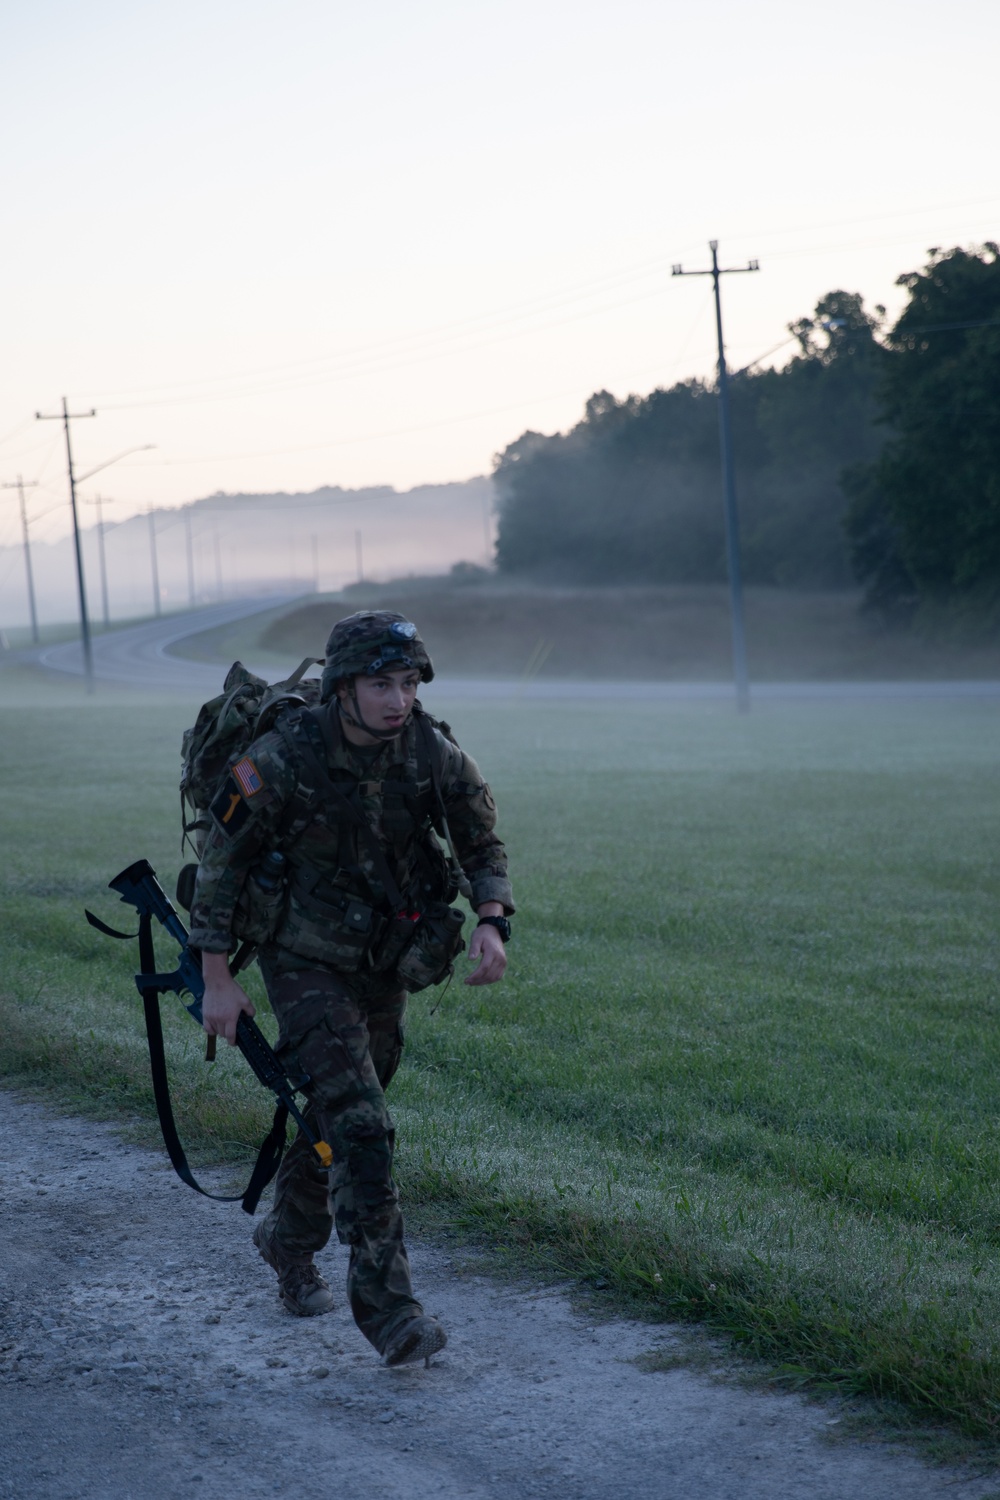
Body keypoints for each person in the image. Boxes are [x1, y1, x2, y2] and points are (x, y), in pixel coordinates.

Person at [188, 610, 513, 1367]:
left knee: (337, 1117)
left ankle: (287, 1240)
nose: (397, 699)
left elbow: (480, 839)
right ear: (343, 686)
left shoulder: (429, 750)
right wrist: (217, 978)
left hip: (382, 960)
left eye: (407, 683)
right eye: (380, 684)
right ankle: (392, 1313)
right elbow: (221, 869)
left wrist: (493, 921)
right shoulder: (282, 756)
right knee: (364, 1128)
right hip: (301, 958)